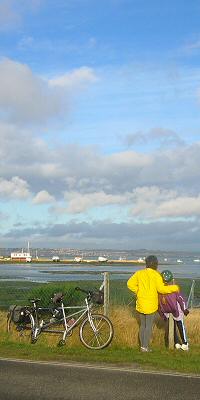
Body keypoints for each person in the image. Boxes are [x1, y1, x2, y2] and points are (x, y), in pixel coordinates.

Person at [127, 255, 179, 352]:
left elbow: (129, 284)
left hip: (141, 302)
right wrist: (174, 288)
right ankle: (145, 347)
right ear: (155, 264)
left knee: (142, 325)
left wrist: (137, 291)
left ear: (146, 263)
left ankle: (142, 346)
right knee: (148, 326)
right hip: (151, 304)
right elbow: (161, 289)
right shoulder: (157, 275)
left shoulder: (139, 273)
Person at [158, 270, 189, 351]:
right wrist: (185, 309)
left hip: (166, 311)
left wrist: (162, 315)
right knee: (180, 325)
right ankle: (185, 343)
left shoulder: (160, 290)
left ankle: (176, 342)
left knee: (172, 327)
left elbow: (158, 304)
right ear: (171, 279)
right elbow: (180, 300)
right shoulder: (174, 289)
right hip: (176, 311)